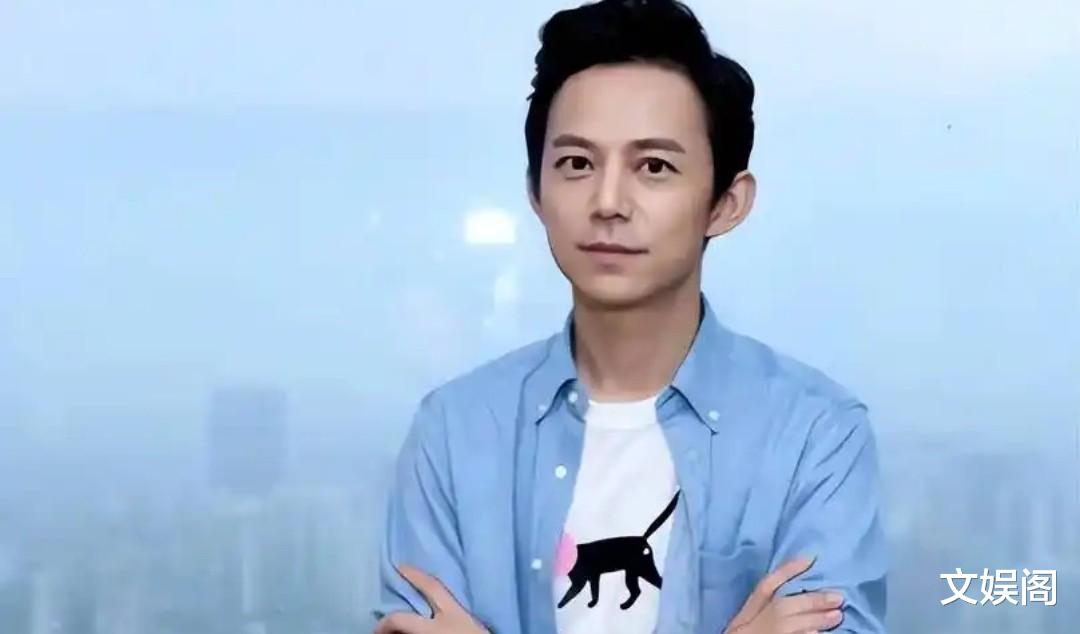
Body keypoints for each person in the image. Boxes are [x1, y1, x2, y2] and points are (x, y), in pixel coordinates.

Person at [372, 0, 888, 632]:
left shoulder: (815, 434)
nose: (609, 201)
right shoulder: (455, 434)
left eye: (654, 167)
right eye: (577, 164)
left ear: (726, 203)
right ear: (535, 191)